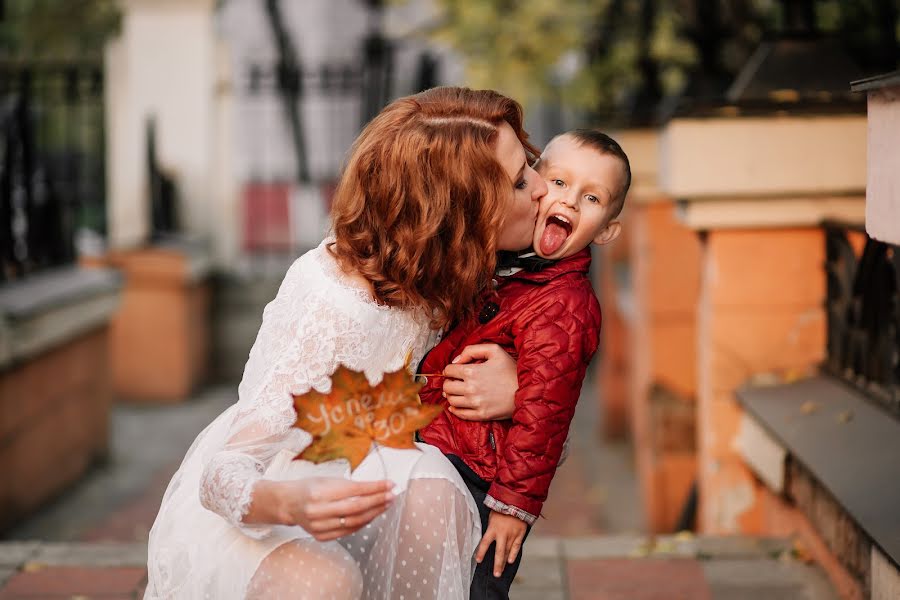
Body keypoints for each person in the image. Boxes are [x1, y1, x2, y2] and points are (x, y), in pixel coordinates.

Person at [143, 86, 549, 600]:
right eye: (518, 182)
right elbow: (222, 475)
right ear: (457, 213)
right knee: (327, 582)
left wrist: (521, 386)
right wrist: (292, 504)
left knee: (436, 493)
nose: (541, 188)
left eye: (529, 164)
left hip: (371, 465)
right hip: (278, 494)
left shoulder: (444, 270)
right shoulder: (335, 305)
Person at [419, 129, 631, 599]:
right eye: (558, 182)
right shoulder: (509, 261)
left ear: (608, 229)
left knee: (475, 587)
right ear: (534, 182)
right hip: (448, 451)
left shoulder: (565, 304)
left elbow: (545, 415)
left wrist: (512, 508)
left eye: (591, 197)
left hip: (485, 478)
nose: (569, 201)